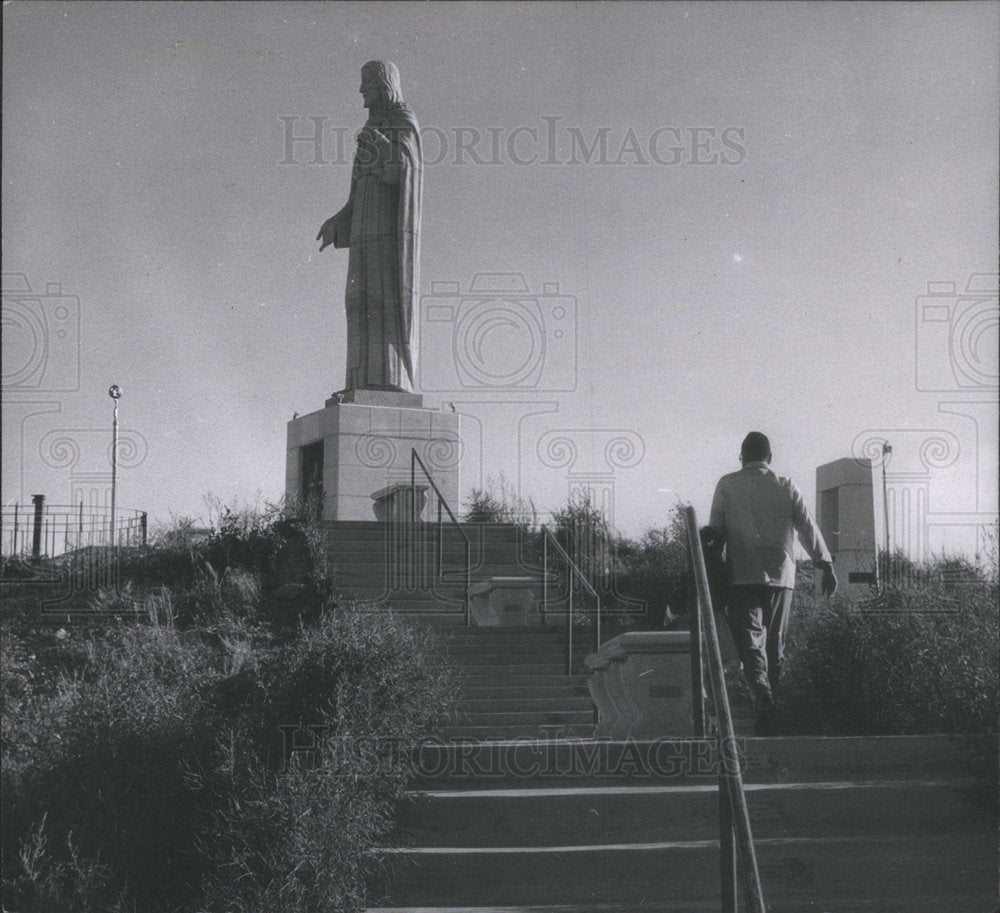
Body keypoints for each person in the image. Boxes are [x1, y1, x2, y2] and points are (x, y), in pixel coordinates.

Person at [708, 431, 837, 735]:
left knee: (751, 644)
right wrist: (825, 563)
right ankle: (776, 706)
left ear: (742, 457)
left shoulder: (727, 484)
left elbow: (715, 534)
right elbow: (807, 525)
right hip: (782, 577)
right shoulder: (786, 485)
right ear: (770, 458)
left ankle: (763, 698)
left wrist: (713, 576)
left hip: (742, 576)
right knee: (774, 644)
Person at [317, 60, 422, 393]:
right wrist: (339, 220)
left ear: (384, 84)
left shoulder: (402, 122)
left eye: (367, 83)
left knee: (382, 297)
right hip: (363, 223)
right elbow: (357, 189)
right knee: (358, 297)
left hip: (388, 234)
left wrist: (378, 144)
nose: (361, 90)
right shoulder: (374, 126)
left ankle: (390, 380)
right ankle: (360, 380)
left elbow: (406, 172)